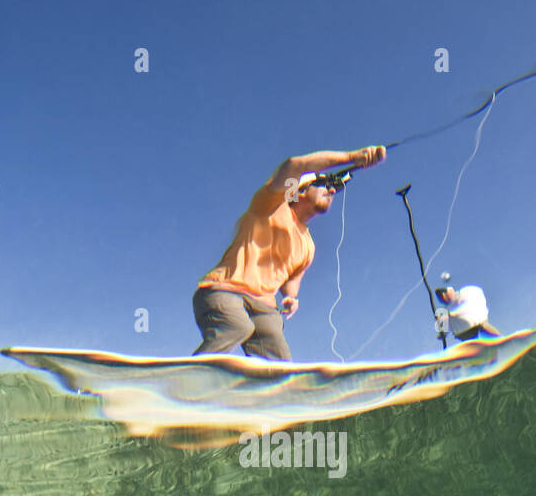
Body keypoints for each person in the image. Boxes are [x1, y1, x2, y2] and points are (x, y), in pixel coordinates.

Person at [193, 145, 386, 360]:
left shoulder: (308, 247)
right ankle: (185, 381)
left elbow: (292, 278)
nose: (332, 190)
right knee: (237, 327)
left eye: (334, 189)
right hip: (224, 292)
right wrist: (352, 158)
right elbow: (294, 165)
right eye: (324, 185)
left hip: (264, 307)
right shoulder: (270, 205)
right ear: (300, 190)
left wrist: (291, 297)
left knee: (281, 365)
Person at [434, 279, 500, 342]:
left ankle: (499, 339)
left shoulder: (463, 294)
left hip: (477, 323)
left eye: (443, 297)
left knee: (484, 327)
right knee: (472, 343)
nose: (443, 300)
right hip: (464, 332)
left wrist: (452, 313)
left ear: (447, 293)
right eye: (441, 299)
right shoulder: (444, 310)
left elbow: (468, 305)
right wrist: (442, 332)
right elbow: (444, 329)